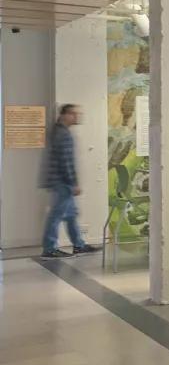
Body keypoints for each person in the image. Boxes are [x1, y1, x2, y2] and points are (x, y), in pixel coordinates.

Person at [40, 104, 101, 259]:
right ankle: (49, 249)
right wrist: (73, 183)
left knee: (71, 214)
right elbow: (66, 161)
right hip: (62, 182)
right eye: (74, 114)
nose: (77, 117)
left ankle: (79, 245)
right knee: (56, 215)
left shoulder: (58, 131)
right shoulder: (63, 134)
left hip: (58, 180)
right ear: (64, 115)